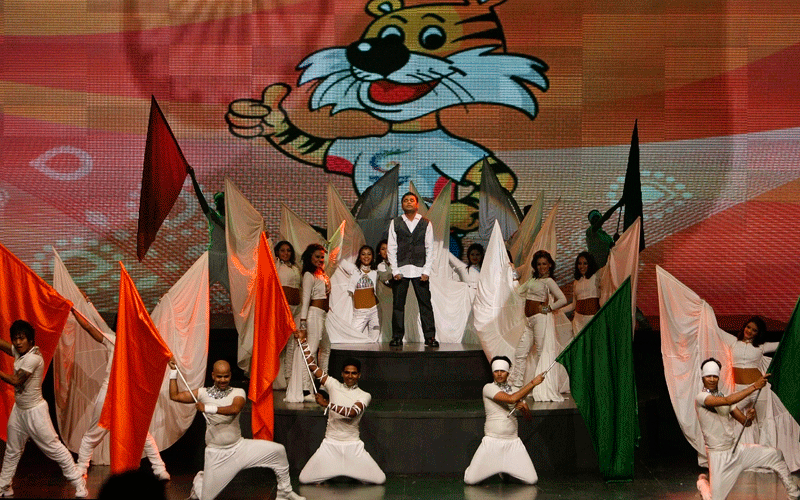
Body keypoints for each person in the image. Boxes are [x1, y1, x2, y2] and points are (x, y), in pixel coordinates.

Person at [168, 359, 305, 500]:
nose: (223, 380)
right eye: (219, 376)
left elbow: (234, 409)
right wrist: (173, 372)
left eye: (226, 376)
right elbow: (175, 395)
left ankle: (285, 492)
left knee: (278, 451)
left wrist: (207, 408)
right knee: (205, 498)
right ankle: (200, 481)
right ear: (213, 375)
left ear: (230, 376)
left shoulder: (238, 392)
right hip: (216, 454)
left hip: (240, 448)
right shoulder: (203, 393)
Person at [70, 308, 170, 479]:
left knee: (143, 434)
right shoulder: (112, 340)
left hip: (128, 394)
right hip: (109, 393)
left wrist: (170, 357)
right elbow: (89, 328)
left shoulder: (139, 346)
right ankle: (81, 467)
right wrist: (74, 310)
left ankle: (159, 469)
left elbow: (158, 348)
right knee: (95, 432)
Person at [0, 320, 88, 498]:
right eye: (15, 339)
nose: (17, 342)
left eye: (21, 338)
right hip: (20, 410)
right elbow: (5, 346)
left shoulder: (33, 358)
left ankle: (79, 483)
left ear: (30, 340)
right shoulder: (20, 352)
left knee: (54, 448)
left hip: (35, 412)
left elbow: (16, 381)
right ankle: (4, 486)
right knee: (12, 449)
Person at [694, 358, 799, 500]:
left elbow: (745, 423)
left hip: (736, 450)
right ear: (702, 377)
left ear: (718, 376)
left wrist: (749, 417)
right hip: (718, 456)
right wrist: (754, 386)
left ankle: (794, 493)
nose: (712, 379)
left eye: (715, 376)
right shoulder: (701, 398)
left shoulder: (723, 396)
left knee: (775, 454)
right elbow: (727, 401)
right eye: (708, 376)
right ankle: (702, 484)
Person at [295, 330, 385, 484]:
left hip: (353, 445)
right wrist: (303, 342)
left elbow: (351, 413)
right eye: (347, 373)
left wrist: (327, 404)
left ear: (359, 375)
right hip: (330, 444)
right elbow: (313, 367)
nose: (350, 376)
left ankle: (350, 471)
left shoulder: (364, 395)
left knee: (380, 479)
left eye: (354, 373)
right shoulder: (333, 384)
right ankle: (335, 472)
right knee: (304, 479)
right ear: (342, 374)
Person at [718, 316, 800, 471]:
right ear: (744, 327)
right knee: (730, 416)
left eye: (754, 330)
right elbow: (715, 330)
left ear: (758, 333)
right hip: (739, 390)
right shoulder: (732, 342)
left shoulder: (762, 347)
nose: (750, 331)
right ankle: (734, 456)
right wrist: (704, 310)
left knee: (763, 423)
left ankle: (765, 459)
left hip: (759, 388)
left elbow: (784, 345)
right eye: (748, 327)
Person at [464, 356, 545, 485]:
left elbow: (528, 419)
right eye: (496, 371)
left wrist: (525, 409)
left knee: (532, 480)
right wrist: (533, 383)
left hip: (512, 442)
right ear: (492, 373)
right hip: (492, 441)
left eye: (502, 371)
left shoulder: (515, 391)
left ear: (508, 372)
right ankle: (479, 467)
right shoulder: (488, 388)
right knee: (470, 480)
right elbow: (511, 399)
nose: (499, 374)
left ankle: (504, 467)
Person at [512, 250, 567, 401]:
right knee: (520, 353)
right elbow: (518, 292)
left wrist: (547, 309)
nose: (542, 267)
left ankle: (544, 388)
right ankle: (516, 386)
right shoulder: (532, 280)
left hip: (540, 319)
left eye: (544, 264)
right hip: (529, 321)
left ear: (549, 265)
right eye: (539, 264)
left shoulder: (549, 281)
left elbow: (562, 299)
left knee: (542, 353)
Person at [387, 192, 437, 347]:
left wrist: (426, 271)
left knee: (425, 305)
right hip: (401, 270)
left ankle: (430, 337)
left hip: (419, 270)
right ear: (402, 205)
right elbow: (391, 247)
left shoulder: (425, 223)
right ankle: (397, 336)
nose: (408, 202)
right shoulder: (396, 222)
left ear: (417, 205)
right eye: (405, 200)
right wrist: (394, 270)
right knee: (398, 305)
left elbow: (430, 248)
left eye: (412, 200)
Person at [297, 244, 331, 401]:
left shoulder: (321, 275)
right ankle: (306, 389)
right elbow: (305, 300)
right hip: (313, 315)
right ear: (310, 257)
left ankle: (323, 383)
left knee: (326, 347)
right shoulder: (309, 275)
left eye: (322, 257)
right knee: (311, 351)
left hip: (322, 315)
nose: (320, 259)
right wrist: (303, 323)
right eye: (317, 256)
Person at [188, 165, 229, 291]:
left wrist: (221, 223)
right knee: (199, 287)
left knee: (236, 291)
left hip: (227, 258)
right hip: (213, 256)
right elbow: (201, 199)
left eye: (222, 201)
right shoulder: (212, 216)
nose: (220, 204)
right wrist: (193, 178)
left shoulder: (233, 220)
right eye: (218, 202)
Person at [340, 245, 390, 343]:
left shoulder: (376, 272)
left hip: (375, 310)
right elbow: (340, 260)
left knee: (374, 340)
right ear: (359, 256)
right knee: (352, 339)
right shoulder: (355, 270)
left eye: (369, 254)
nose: (366, 257)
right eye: (363, 254)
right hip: (360, 313)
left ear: (373, 256)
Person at [275, 241, 302, 388]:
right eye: (282, 250)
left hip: (296, 308)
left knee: (292, 342)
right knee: (282, 342)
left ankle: (289, 376)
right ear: (277, 252)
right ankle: (278, 378)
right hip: (282, 308)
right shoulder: (276, 265)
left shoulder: (295, 267)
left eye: (288, 251)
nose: (286, 253)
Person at [560, 252, 601, 335]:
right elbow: (573, 305)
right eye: (579, 263)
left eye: (585, 263)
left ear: (590, 264)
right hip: (578, 322)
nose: (582, 266)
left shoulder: (597, 276)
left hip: (593, 320)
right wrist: (559, 310)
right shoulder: (576, 282)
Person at [585, 203, 622, 268]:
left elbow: (613, 249)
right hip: (596, 270)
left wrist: (617, 241)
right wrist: (617, 205)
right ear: (590, 221)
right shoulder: (589, 232)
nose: (596, 219)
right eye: (593, 218)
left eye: (597, 217)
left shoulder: (607, 236)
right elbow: (605, 218)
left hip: (608, 268)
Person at [375, 240, 394, 342]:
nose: (386, 251)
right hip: (385, 295)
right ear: (379, 252)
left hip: (395, 295)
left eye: (388, 248)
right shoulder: (380, 265)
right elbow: (385, 277)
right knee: (387, 317)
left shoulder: (396, 263)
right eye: (383, 249)